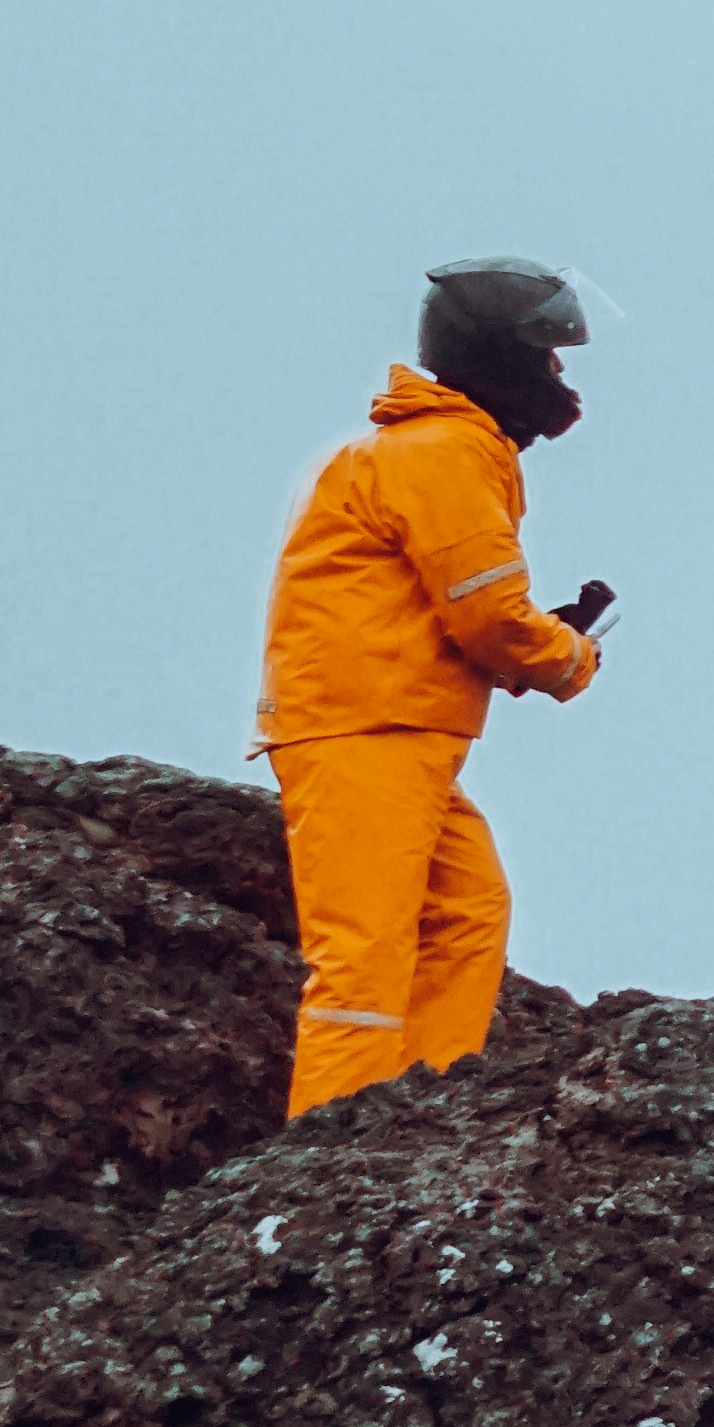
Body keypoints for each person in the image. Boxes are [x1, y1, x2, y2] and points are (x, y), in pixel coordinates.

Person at [257, 259, 611, 1120]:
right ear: (504, 358)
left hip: (390, 728)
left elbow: (454, 612)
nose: (560, 375)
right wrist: (567, 656)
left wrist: (536, 641)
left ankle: (424, 1111)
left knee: (467, 909)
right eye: (550, 355)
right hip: (364, 730)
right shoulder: (445, 451)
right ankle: (329, 1148)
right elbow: (487, 614)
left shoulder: (437, 446)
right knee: (363, 954)